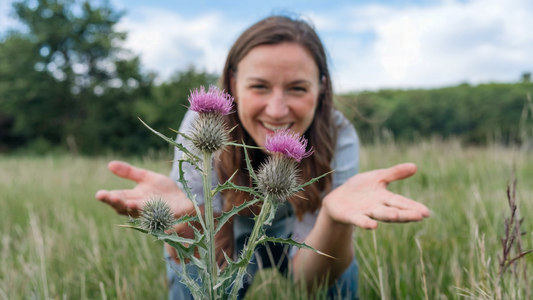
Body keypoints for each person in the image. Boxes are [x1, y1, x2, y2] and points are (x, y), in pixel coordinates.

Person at [95, 16, 430, 300]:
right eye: (259, 87)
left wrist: (333, 218)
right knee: (196, 280)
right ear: (232, 83)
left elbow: (311, 283)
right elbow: (209, 265)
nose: (277, 109)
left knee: (339, 277)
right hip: (229, 227)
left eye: (297, 88)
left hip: (299, 231)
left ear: (322, 88)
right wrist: (187, 225)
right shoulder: (203, 122)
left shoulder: (339, 135)